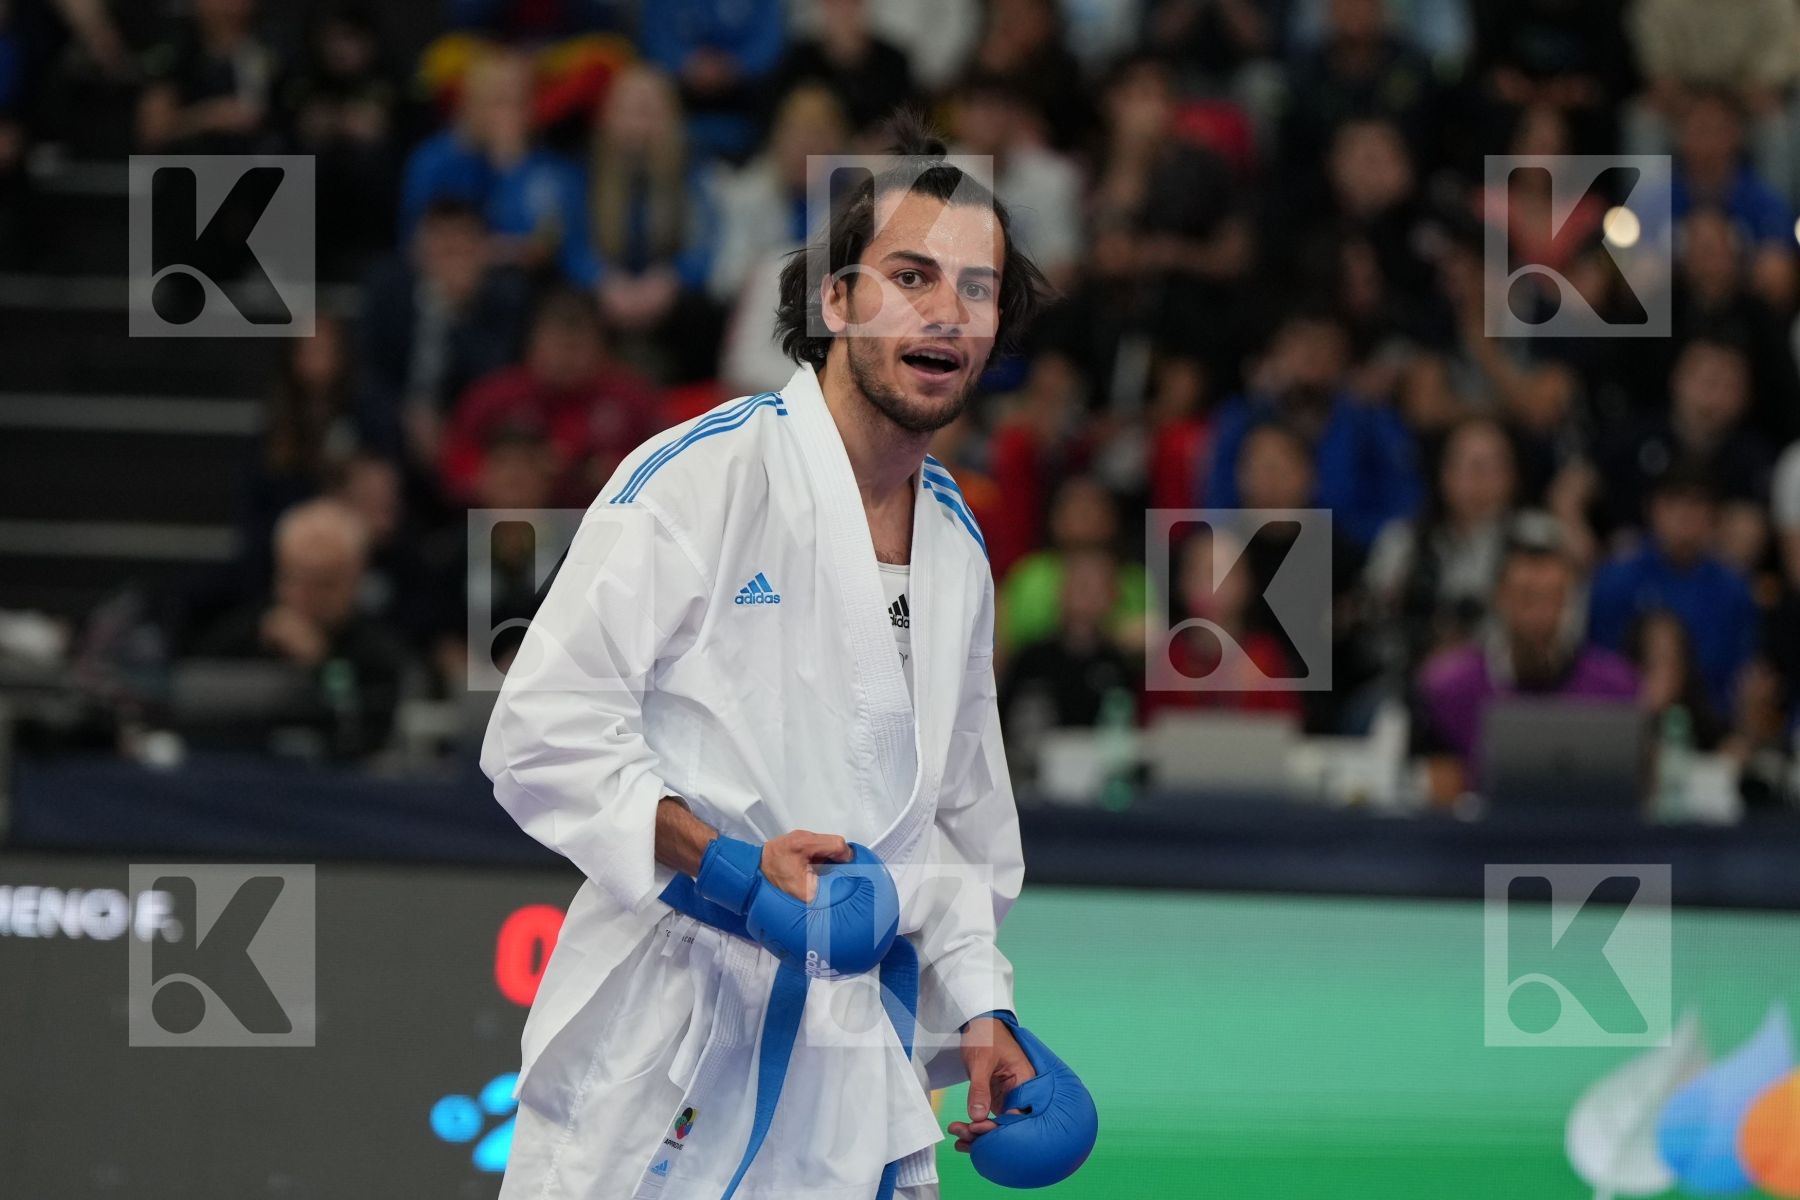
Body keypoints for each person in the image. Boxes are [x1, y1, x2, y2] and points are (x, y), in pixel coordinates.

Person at [481, 115, 1058, 1198]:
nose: (946, 310)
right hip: (668, 1030)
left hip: (850, 1057)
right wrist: (730, 866)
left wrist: (982, 1003)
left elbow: (954, 820)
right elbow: (539, 731)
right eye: (910, 274)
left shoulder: (958, 552)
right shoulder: (703, 477)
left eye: (976, 289)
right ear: (834, 301)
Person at [1415, 518, 1638, 775]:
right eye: (1526, 598)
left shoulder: (1615, 689)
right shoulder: (1450, 690)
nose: (1539, 614)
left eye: (1553, 598)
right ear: (1500, 597)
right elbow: (1441, 797)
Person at [194, 498, 411, 761]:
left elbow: (361, 734)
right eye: (294, 577)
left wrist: (322, 664)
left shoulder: (376, 653)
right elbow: (200, 712)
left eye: (323, 582)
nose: (304, 595)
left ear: (355, 578)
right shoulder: (241, 636)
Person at [1588, 470, 1760, 718]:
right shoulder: (1615, 580)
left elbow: (1741, 674)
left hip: (1713, 725)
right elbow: (1598, 667)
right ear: (1652, 509)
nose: (1685, 516)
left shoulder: (1734, 589)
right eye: (1674, 504)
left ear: (1714, 517)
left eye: (1697, 505)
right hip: (1627, 718)